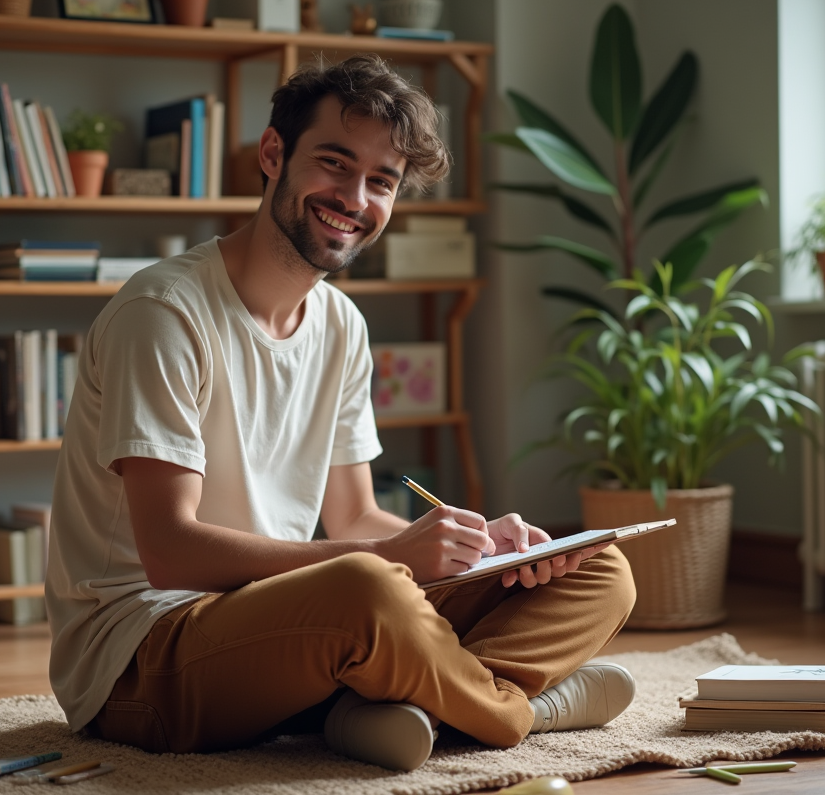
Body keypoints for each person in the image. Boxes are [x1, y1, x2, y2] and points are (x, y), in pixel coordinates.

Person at [45, 54, 637, 772]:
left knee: (599, 570)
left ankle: (388, 704)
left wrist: (484, 553)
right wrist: (386, 562)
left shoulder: (341, 324)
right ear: (274, 155)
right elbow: (169, 552)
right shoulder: (164, 313)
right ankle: (516, 713)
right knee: (368, 588)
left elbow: (354, 520)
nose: (355, 198)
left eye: (381, 182)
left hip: (297, 623)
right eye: (334, 163)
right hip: (145, 654)